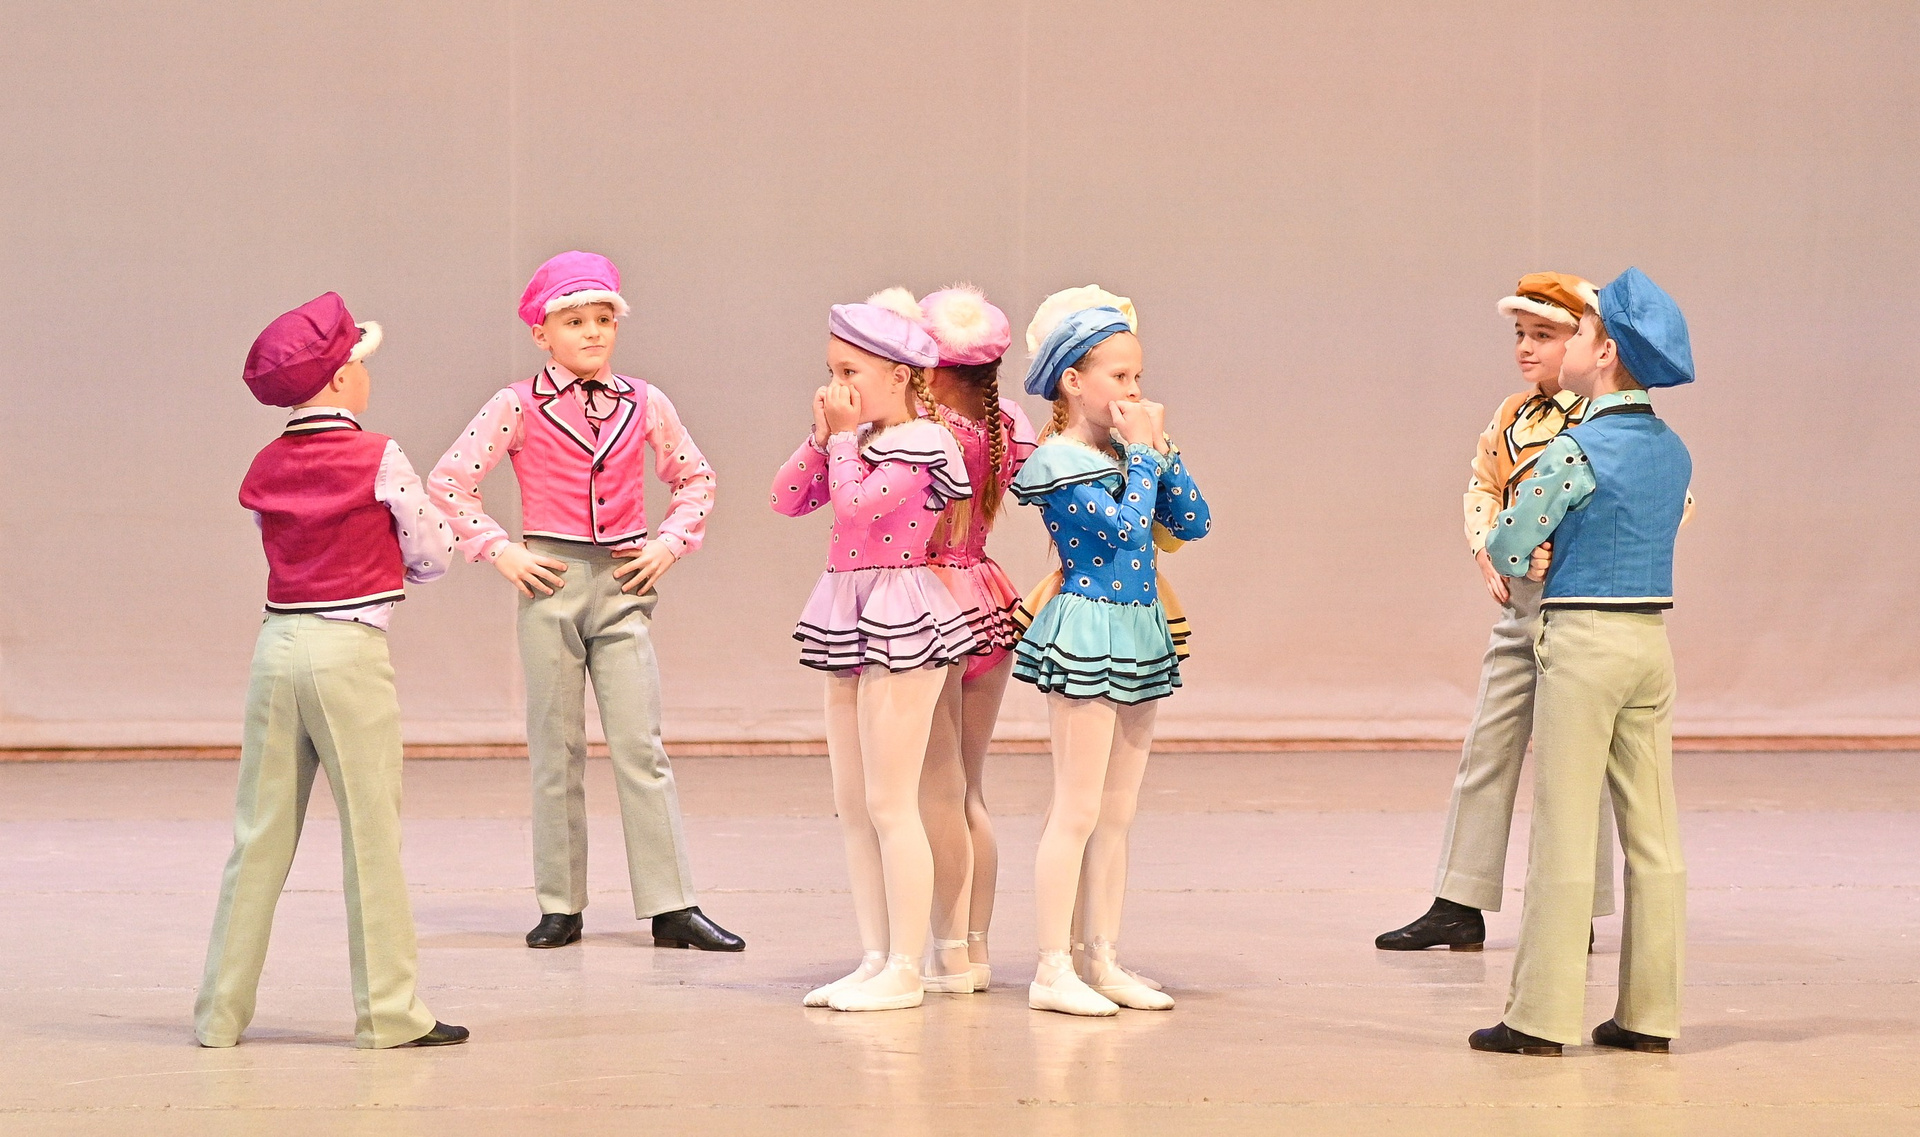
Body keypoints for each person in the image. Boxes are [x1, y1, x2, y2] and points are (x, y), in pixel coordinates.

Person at [429, 251, 742, 953]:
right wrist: (500, 549)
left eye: (604, 318)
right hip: (553, 583)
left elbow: (695, 476)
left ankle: (671, 904)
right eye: (575, 321)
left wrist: (670, 542)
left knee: (640, 744)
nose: (593, 332)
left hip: (624, 585)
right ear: (542, 333)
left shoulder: (645, 400)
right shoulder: (517, 403)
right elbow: (450, 481)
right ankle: (559, 902)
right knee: (556, 747)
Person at [197, 292, 466, 1049]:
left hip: (276, 645)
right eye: (361, 364)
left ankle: (219, 1012)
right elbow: (432, 549)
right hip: (349, 650)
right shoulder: (379, 454)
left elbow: (275, 533)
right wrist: (403, 562)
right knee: (371, 833)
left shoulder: (266, 462)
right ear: (343, 377)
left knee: (258, 834)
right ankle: (388, 1011)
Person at [1470, 267, 1695, 1056]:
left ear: (1604, 354)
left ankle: (1540, 1015)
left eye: (1583, 333)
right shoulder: (1675, 451)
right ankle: (1650, 1012)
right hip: (1650, 641)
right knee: (1655, 833)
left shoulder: (1574, 449)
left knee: (1565, 827)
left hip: (1583, 641)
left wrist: (1523, 547)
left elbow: (1508, 540)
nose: (1565, 345)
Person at [1377, 273, 1619, 952]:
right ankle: (1459, 898)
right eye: (1521, 334)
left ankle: (1577, 906)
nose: (1526, 347)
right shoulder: (1513, 414)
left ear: (1589, 342)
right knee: (1487, 746)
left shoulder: (1610, 420)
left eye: (1545, 334)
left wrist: (1572, 544)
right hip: (1522, 605)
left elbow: (1651, 506)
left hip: (1584, 603)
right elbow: (1484, 484)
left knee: (1579, 762)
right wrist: (1490, 545)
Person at [770, 289, 977, 1011]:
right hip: (846, 612)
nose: (839, 386)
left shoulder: (924, 443)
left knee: (893, 802)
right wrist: (820, 435)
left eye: (851, 371)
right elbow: (787, 497)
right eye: (832, 371)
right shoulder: (853, 442)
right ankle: (874, 956)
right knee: (854, 803)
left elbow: (858, 508)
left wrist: (840, 440)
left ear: (899, 375)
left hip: (899, 612)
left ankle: (908, 966)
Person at [1010, 287, 1211, 1016]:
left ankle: (1102, 955)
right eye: (1119, 376)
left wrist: (1160, 453)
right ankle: (1051, 966)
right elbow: (1124, 532)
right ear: (1073, 380)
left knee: (1117, 812)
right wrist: (1145, 457)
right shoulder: (1057, 461)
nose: (1134, 390)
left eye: (1138, 376)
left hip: (1138, 627)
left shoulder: (1127, 454)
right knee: (1077, 807)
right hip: (1088, 627)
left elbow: (1193, 521)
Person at [911, 285, 1037, 995]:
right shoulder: (1004, 422)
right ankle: (976, 947)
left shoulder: (919, 425)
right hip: (987, 597)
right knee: (970, 789)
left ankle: (948, 952)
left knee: (936, 790)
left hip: (925, 603)